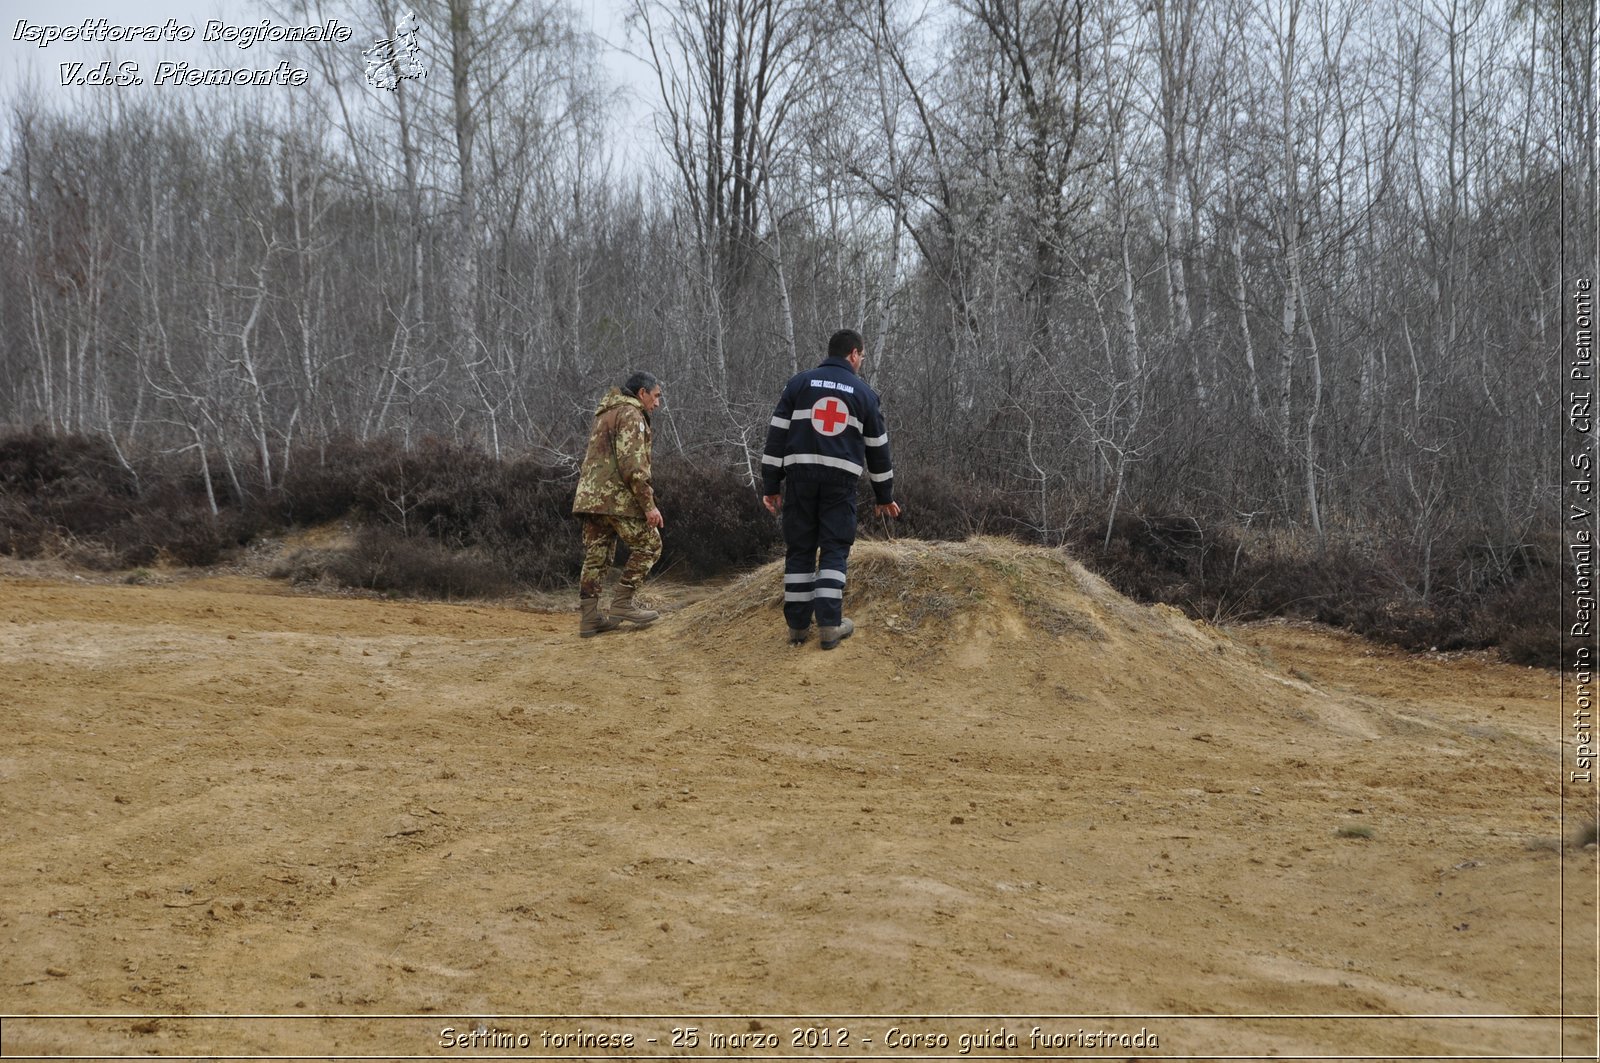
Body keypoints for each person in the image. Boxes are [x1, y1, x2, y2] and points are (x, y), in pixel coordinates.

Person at [761, 329, 900, 649]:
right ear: (853, 354)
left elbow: (776, 437)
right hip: (840, 484)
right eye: (862, 357)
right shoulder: (864, 394)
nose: (861, 362)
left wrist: (771, 483)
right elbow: (878, 449)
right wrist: (884, 495)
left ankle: (797, 628)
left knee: (800, 549)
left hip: (800, 480)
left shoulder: (798, 384)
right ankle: (829, 625)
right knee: (834, 549)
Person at [572, 371, 665, 637]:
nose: (657, 403)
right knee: (650, 545)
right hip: (616, 499)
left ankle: (589, 619)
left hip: (591, 499)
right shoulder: (632, 415)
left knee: (597, 556)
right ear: (642, 393)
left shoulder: (605, 414)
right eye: (656, 396)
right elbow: (632, 465)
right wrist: (649, 505)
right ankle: (623, 604)